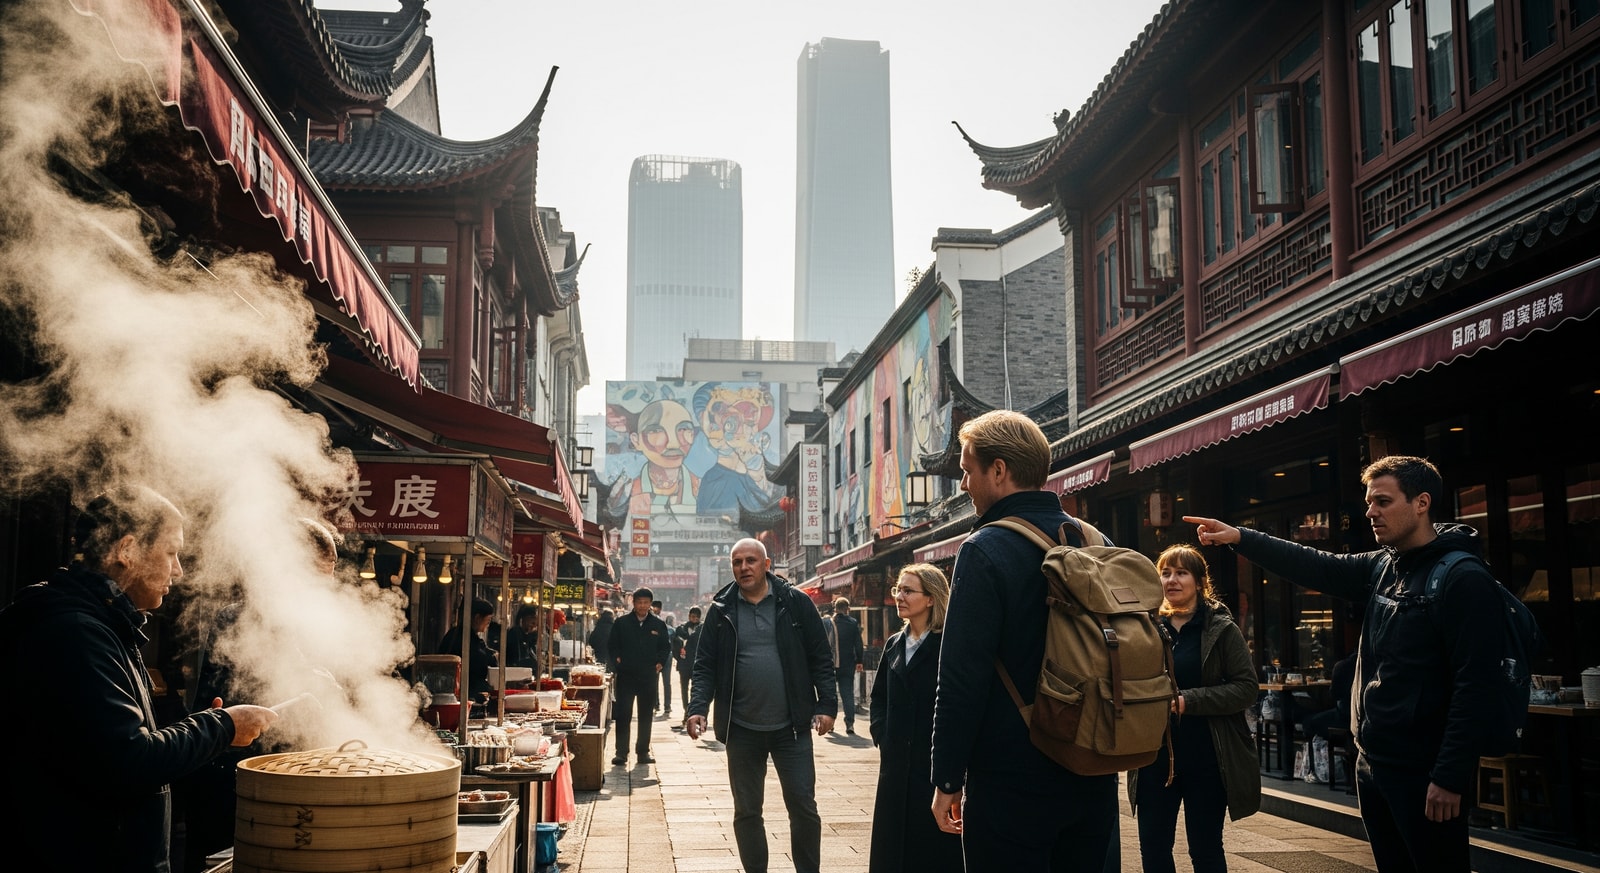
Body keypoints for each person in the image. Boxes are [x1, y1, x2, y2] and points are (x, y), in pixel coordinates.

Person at [1184, 455, 1508, 873]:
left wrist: (1449, 775)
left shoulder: (1462, 578)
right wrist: (1240, 538)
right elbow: (1315, 565)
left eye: (1383, 502)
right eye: (1370, 501)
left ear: (1422, 502)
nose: (1370, 512)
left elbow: (1475, 685)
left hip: (1424, 769)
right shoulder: (1383, 566)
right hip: (1373, 762)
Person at [0, 486, 277, 872]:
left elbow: (120, 743)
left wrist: (212, 731)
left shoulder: (102, 625)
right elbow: (129, 759)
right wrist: (222, 726)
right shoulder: (77, 632)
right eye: (171, 552)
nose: (178, 570)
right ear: (127, 550)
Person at [929, 409, 1118, 871]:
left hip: (1013, 777)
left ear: (999, 470)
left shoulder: (984, 549)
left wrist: (947, 779)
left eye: (967, 471)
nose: (963, 485)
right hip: (1093, 767)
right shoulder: (1094, 540)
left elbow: (961, 677)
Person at [686, 538, 837, 873]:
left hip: (792, 727)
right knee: (748, 811)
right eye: (737, 562)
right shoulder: (722, 609)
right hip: (741, 729)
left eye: (751, 561)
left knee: (803, 807)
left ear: (766, 564)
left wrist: (826, 704)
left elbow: (821, 658)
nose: (744, 568)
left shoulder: (795, 603)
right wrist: (697, 707)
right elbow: (705, 664)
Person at [1129, 544, 1259, 873]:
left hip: (1208, 757)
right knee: (1154, 848)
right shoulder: (1145, 626)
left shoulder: (1221, 628)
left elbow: (1246, 688)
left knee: (1205, 849)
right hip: (1152, 756)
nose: (1172, 580)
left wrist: (1189, 701)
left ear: (1200, 582)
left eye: (1182, 572)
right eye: (1165, 572)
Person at [869, 564, 963, 873]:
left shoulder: (949, 644)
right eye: (898, 589)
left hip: (932, 763)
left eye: (908, 590)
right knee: (891, 847)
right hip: (894, 766)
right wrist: (882, 733)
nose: (899, 596)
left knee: (932, 850)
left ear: (932, 598)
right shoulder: (895, 644)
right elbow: (879, 697)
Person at [608, 587, 670, 765]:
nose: (642, 606)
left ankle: (642, 752)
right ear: (633, 603)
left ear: (651, 604)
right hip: (626, 676)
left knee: (645, 715)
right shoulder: (622, 623)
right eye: (639, 602)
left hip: (648, 677)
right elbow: (612, 645)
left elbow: (665, 647)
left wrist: (660, 662)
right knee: (623, 715)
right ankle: (621, 753)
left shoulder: (658, 625)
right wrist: (617, 662)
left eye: (646, 602)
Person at [437, 598, 498, 702]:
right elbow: (475, 666)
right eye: (488, 620)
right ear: (477, 618)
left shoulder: (465, 636)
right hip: (461, 695)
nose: (488, 624)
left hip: (467, 694)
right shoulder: (462, 638)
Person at [826, 595, 864, 735]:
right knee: (847, 694)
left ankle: (830, 724)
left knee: (831, 693)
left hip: (830, 664)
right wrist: (859, 661)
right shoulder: (853, 623)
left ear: (835, 608)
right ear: (847, 609)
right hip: (848, 664)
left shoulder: (829, 623)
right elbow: (858, 644)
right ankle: (850, 724)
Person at [671, 605, 704, 730]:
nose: (694, 618)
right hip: (684, 665)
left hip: (698, 665)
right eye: (692, 616)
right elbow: (675, 646)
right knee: (684, 690)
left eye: (696, 617)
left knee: (695, 690)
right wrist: (679, 658)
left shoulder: (703, 629)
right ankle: (686, 711)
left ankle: (693, 713)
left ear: (699, 617)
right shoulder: (681, 629)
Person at [653, 601, 675, 715]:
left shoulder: (654, 626)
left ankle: (657, 705)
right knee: (666, 682)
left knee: (657, 682)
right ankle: (666, 706)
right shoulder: (670, 629)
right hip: (666, 656)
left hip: (659, 657)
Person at [506, 604, 540, 669]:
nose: (534, 626)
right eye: (532, 623)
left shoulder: (526, 636)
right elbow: (517, 659)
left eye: (536, 625)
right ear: (525, 618)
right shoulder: (515, 633)